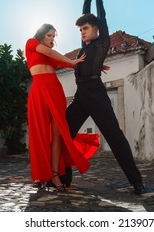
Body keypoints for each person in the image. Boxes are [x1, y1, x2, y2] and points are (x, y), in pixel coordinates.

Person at [65, 0, 146, 195]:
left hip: (97, 95)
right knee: (64, 132)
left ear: (96, 29)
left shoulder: (102, 42)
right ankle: (64, 178)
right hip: (81, 96)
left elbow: (101, 15)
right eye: (80, 29)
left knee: (115, 137)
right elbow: (86, 16)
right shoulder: (85, 44)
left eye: (86, 28)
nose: (82, 32)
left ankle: (136, 181)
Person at [25, 23, 100, 191]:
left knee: (58, 133)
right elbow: (51, 53)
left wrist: (97, 65)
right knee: (40, 133)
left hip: (55, 91)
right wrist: (71, 60)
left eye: (54, 37)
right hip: (38, 91)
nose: (52, 39)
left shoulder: (54, 57)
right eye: (49, 35)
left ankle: (54, 174)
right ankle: (40, 174)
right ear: (41, 35)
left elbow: (76, 64)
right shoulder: (31, 43)